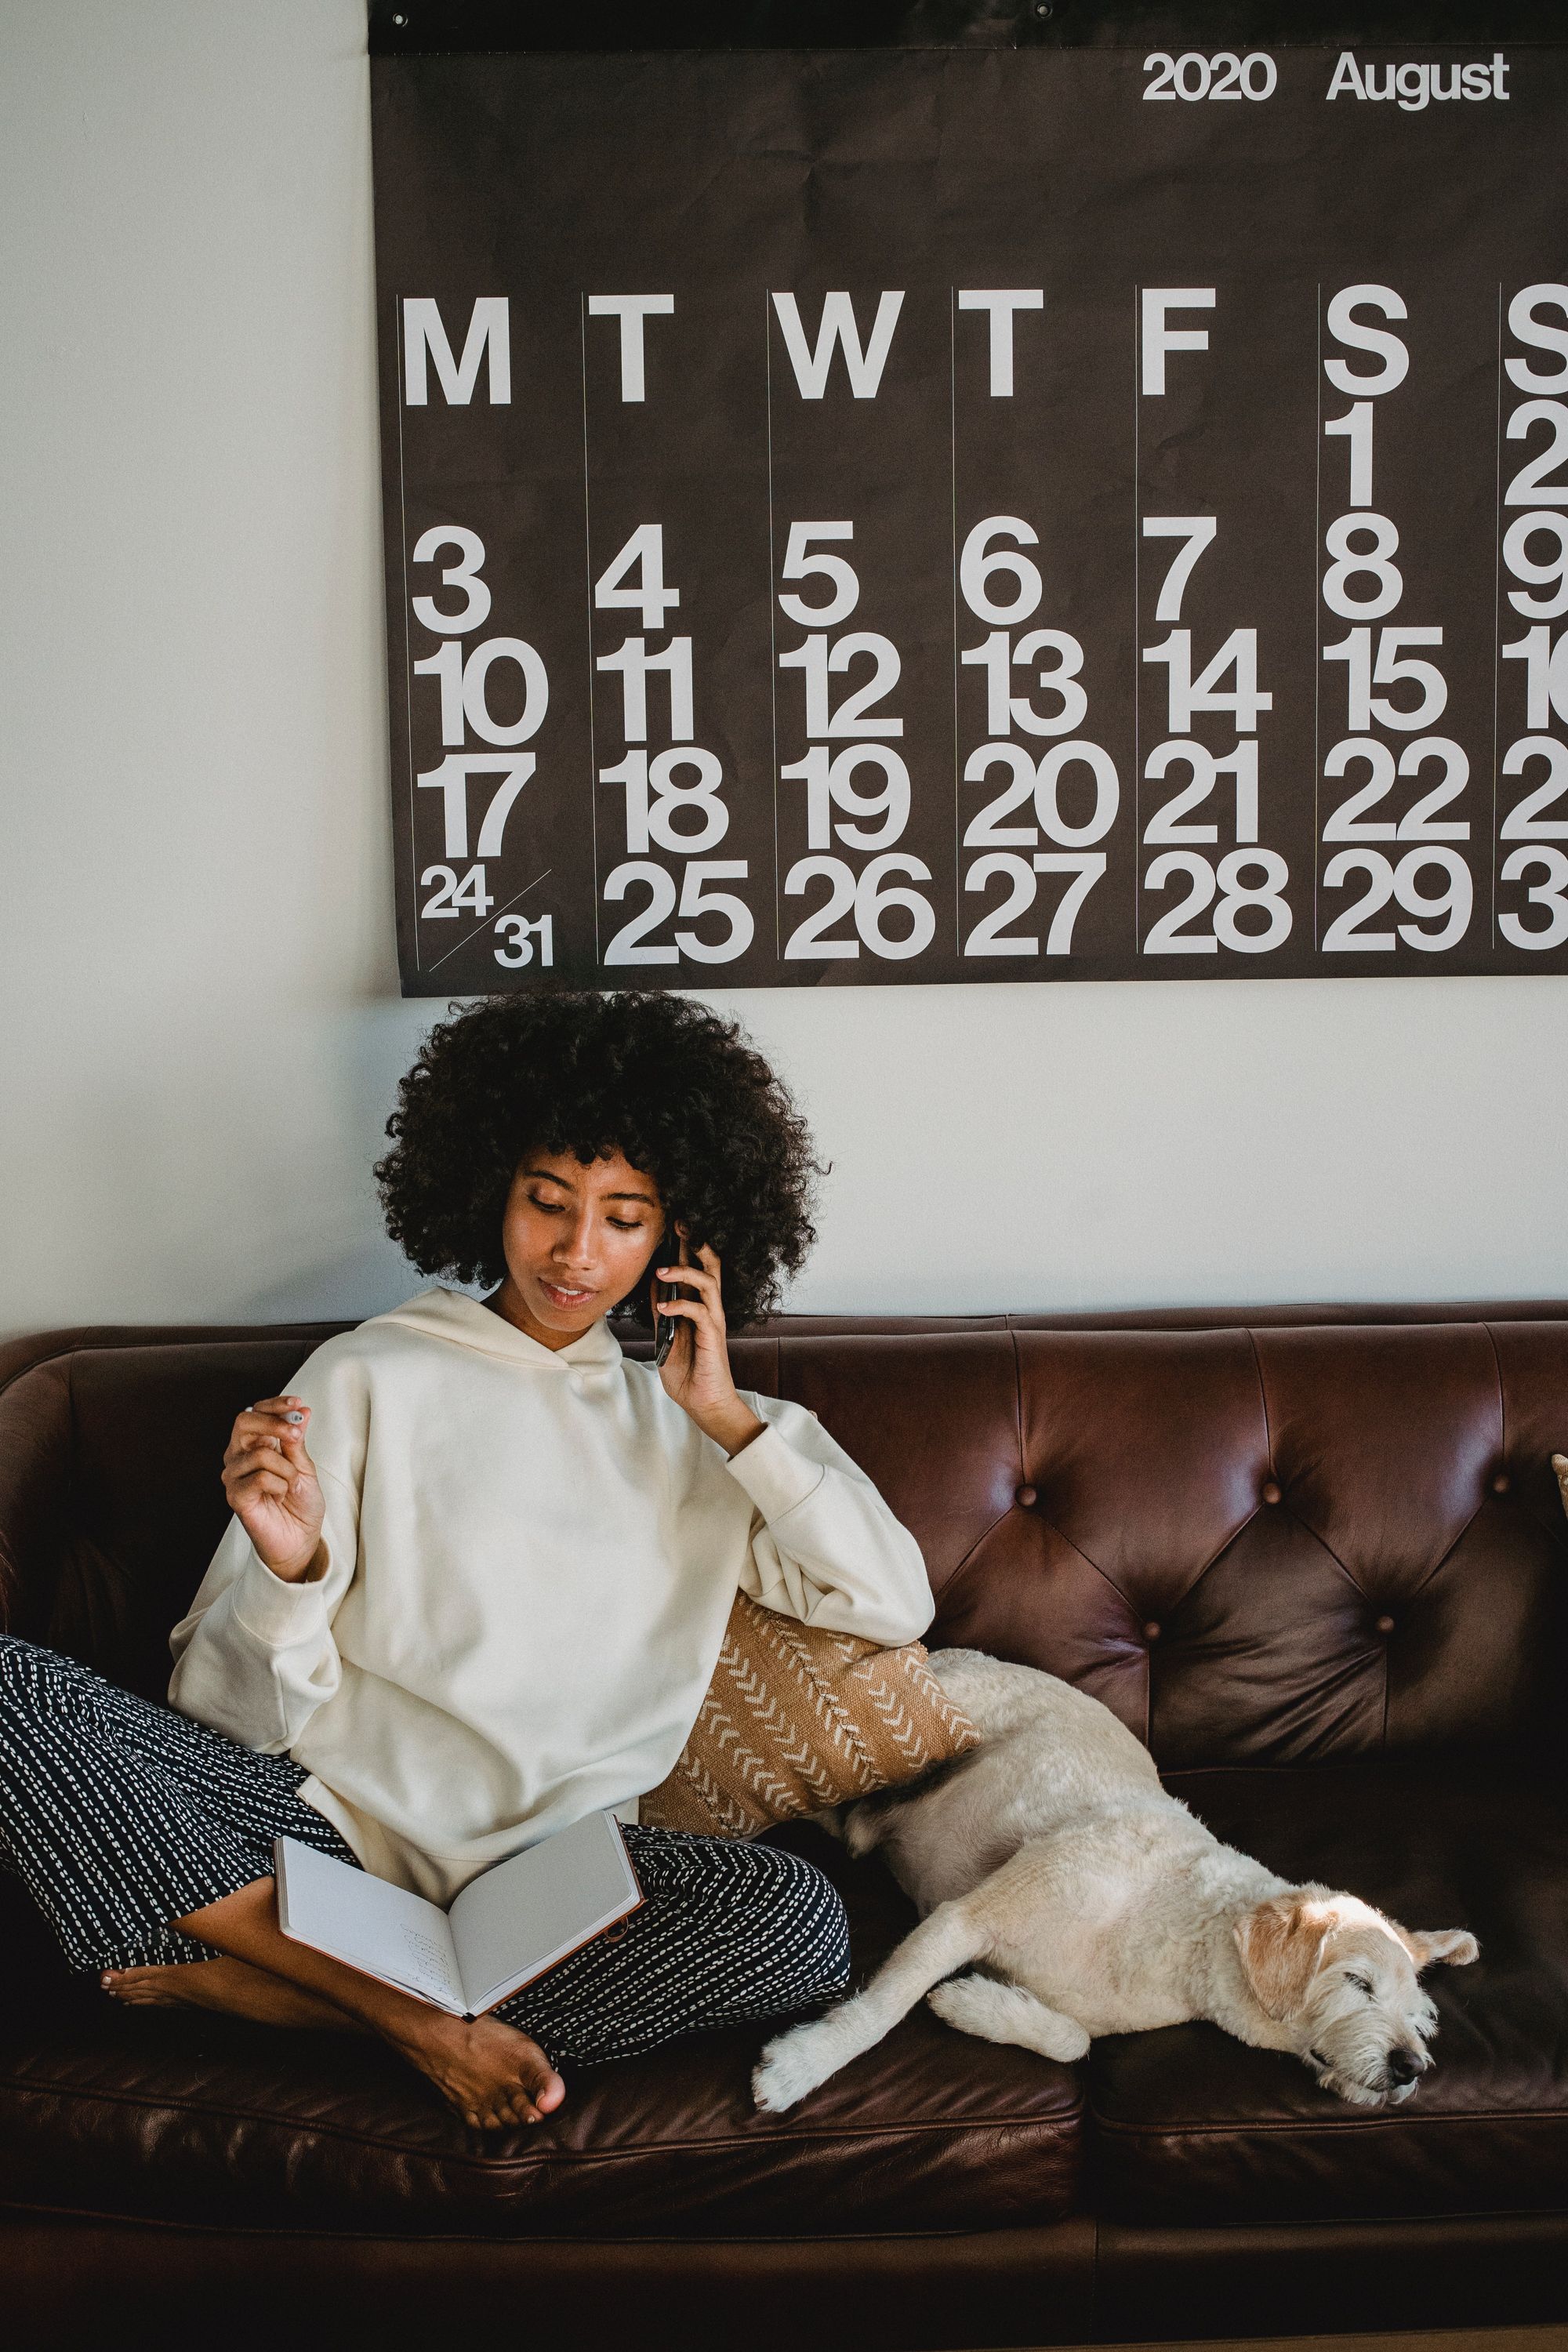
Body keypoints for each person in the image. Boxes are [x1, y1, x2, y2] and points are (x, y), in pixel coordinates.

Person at [0, 991, 932, 2129]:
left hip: (555, 1892)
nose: (577, 1252)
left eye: (625, 1218)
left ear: (681, 1237)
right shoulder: (366, 1376)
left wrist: (730, 1419)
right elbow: (225, 1720)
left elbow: (889, 1601)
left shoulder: (711, 1434)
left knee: (801, 1923)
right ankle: (409, 2025)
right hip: (321, 1849)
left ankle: (263, 1992)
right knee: (16, 1689)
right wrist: (290, 1576)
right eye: (548, 1203)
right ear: (492, 1186)